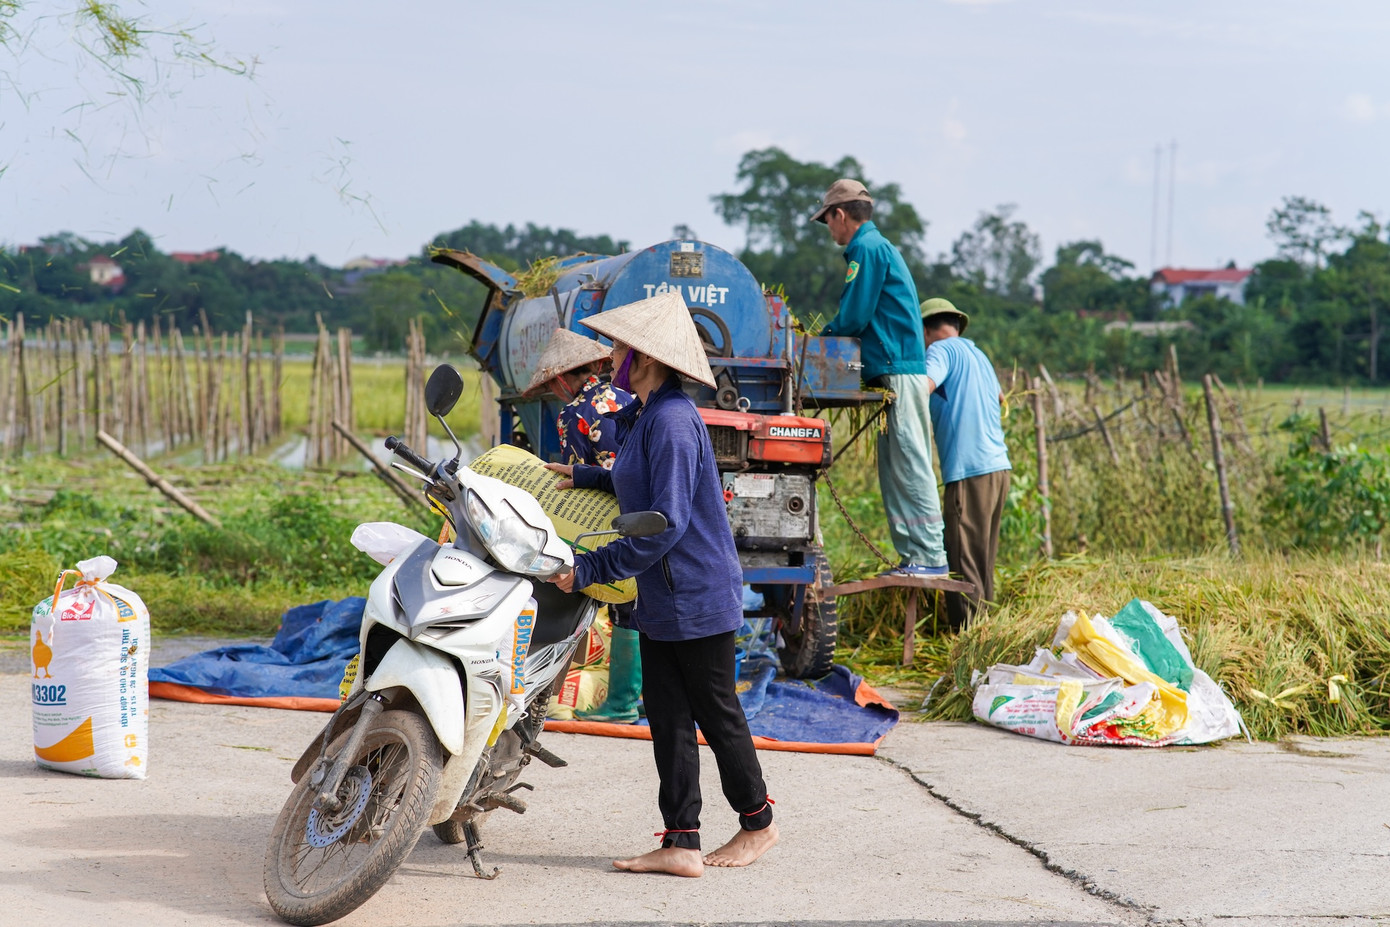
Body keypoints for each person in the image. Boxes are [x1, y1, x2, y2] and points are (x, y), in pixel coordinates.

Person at [545, 287, 778, 877]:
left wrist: (591, 571)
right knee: (668, 716)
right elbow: (638, 483)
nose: (614, 357)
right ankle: (681, 842)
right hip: (663, 595)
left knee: (716, 712)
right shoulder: (650, 416)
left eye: (621, 347)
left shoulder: (673, 421)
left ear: (644, 358)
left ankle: (759, 826)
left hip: (695, 592)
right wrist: (582, 476)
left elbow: (666, 522)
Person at [812, 178, 948, 576]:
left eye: (828, 221)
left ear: (840, 215)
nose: (829, 230)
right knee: (894, 468)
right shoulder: (874, 247)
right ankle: (913, 556)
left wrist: (817, 343)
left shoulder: (867, 249)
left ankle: (930, 556)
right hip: (888, 369)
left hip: (898, 368)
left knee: (910, 461)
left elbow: (854, 317)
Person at [524, 327, 643, 723]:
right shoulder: (627, 397)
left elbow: (579, 482)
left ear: (560, 380)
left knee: (619, 604)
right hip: (646, 508)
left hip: (613, 514)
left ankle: (621, 704)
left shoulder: (574, 413)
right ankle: (641, 695)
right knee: (643, 604)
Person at [920, 297, 1012, 629]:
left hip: (969, 473)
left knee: (962, 563)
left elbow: (923, 386)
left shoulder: (940, 351)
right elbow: (1001, 398)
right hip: (998, 470)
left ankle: (967, 644)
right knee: (982, 562)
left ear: (927, 330)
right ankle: (988, 637)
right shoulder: (978, 354)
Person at [523, 327, 634, 470]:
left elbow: (574, 474)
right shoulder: (625, 391)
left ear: (560, 379)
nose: (553, 390)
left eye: (551, 384)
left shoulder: (572, 413)